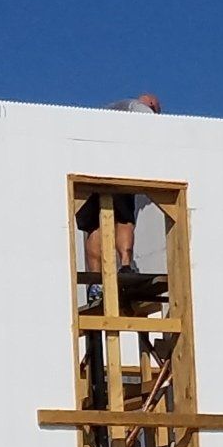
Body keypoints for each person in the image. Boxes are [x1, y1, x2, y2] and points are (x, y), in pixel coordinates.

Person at [77, 94, 162, 299]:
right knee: (124, 219)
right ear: (151, 104)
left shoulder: (109, 109)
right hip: (115, 165)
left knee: (93, 227)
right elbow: (153, 129)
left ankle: (95, 284)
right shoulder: (139, 108)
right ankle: (125, 264)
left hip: (84, 166)